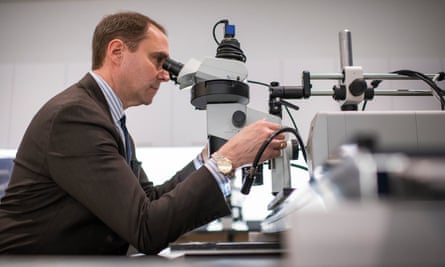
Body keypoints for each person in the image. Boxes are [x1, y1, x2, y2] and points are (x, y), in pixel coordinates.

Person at [0, 11, 286, 255]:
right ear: (117, 52)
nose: (165, 74)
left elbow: (148, 199)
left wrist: (208, 157)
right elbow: (146, 228)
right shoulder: (74, 117)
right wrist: (227, 160)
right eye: (158, 60)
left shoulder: (110, 120)